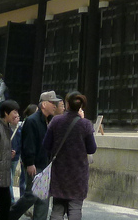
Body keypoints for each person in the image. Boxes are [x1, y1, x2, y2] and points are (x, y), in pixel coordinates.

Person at [43, 91, 98, 220]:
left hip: (59, 171)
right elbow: (91, 148)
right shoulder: (85, 124)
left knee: (57, 207)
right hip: (78, 173)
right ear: (81, 107)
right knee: (75, 207)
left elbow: (46, 145)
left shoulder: (56, 121)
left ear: (67, 104)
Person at [9, 92, 60, 220]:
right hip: (35, 165)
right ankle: (9, 215)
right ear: (43, 104)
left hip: (45, 165)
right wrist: (30, 163)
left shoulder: (47, 120)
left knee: (43, 198)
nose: (55, 105)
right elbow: (28, 144)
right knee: (31, 195)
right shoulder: (32, 121)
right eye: (52, 103)